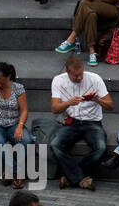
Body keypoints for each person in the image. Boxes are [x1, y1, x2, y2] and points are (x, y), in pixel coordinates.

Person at [48, 54, 113, 191]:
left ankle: (71, 177)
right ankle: (81, 179)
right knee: (55, 144)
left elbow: (110, 106)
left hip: (92, 122)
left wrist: (97, 100)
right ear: (67, 72)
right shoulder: (58, 81)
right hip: (71, 122)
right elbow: (54, 109)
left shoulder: (95, 79)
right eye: (75, 76)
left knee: (101, 148)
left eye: (81, 74)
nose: (79, 78)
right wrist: (68, 103)